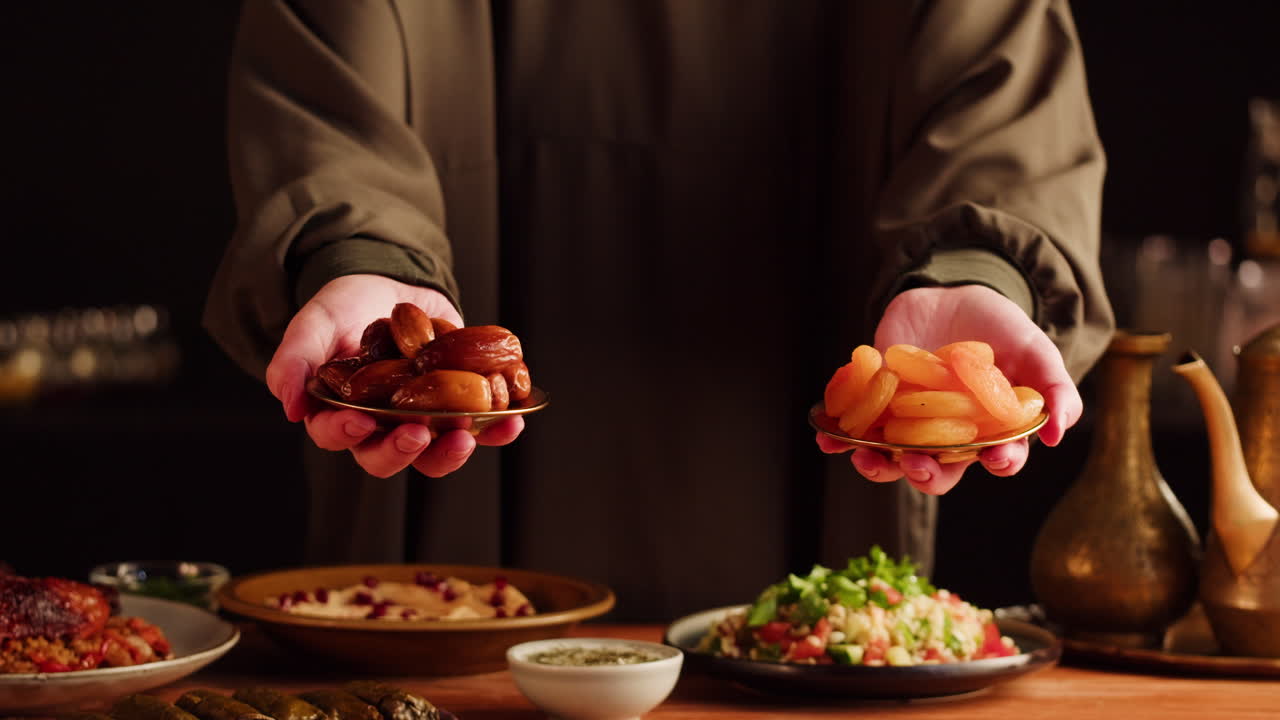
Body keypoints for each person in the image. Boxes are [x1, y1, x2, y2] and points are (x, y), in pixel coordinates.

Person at [205, 0, 1114, 619]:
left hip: (812, 518)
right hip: (438, 540)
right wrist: (359, 257)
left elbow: (1001, 80)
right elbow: (330, 77)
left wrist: (977, 267)